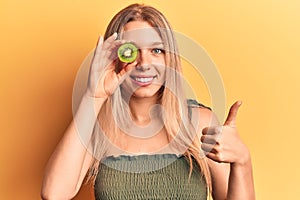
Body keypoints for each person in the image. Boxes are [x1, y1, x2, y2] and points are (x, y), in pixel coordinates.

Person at [41, 3, 255, 200]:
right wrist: (93, 96)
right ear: (114, 58)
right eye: (131, 51)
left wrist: (242, 161)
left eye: (156, 50)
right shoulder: (98, 125)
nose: (144, 63)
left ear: (169, 58)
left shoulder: (198, 122)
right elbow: (54, 193)